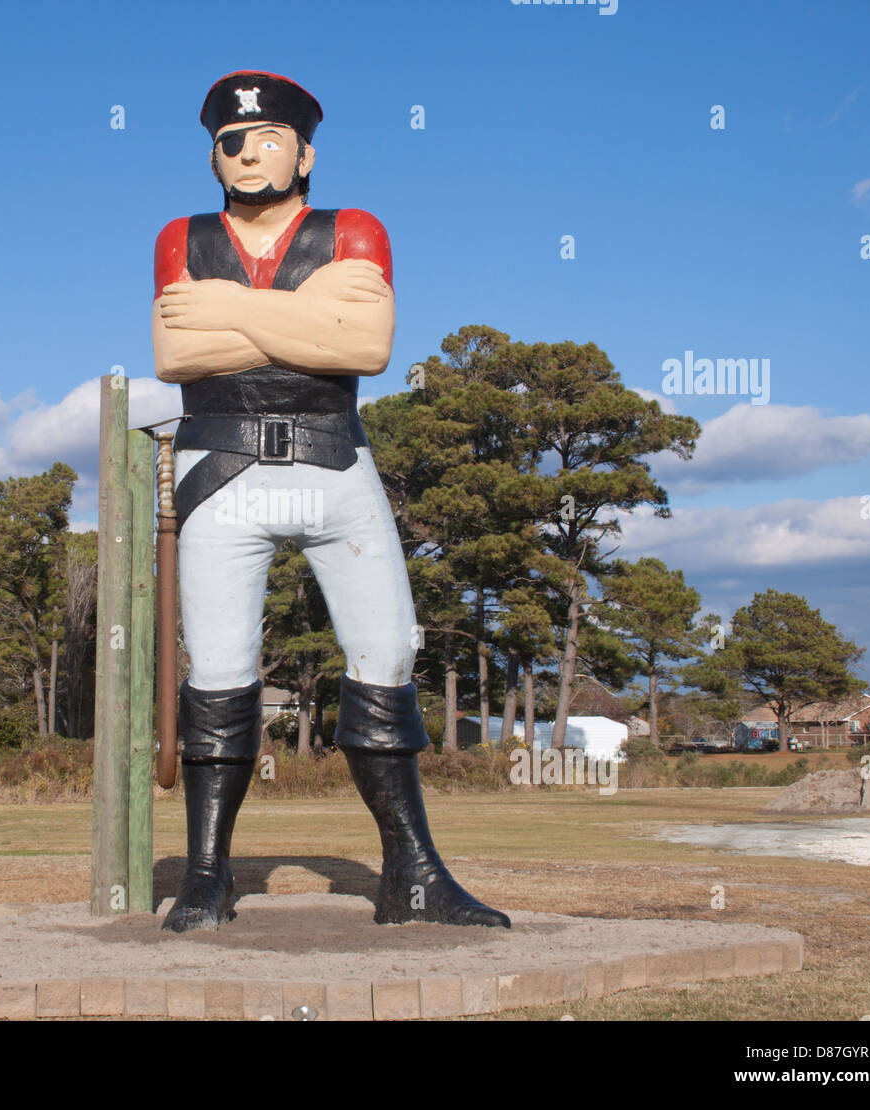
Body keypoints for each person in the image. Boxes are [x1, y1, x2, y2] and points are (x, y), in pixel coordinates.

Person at [151, 70, 510, 933]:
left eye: (268, 137)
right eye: (231, 141)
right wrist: (309, 321)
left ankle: (413, 873)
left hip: (334, 458)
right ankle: (208, 875)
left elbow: (370, 345)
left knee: (386, 656)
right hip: (219, 469)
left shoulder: (355, 228)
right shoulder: (181, 236)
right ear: (213, 156)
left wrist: (231, 312)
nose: (247, 152)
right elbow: (173, 351)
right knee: (220, 673)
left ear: (305, 150)